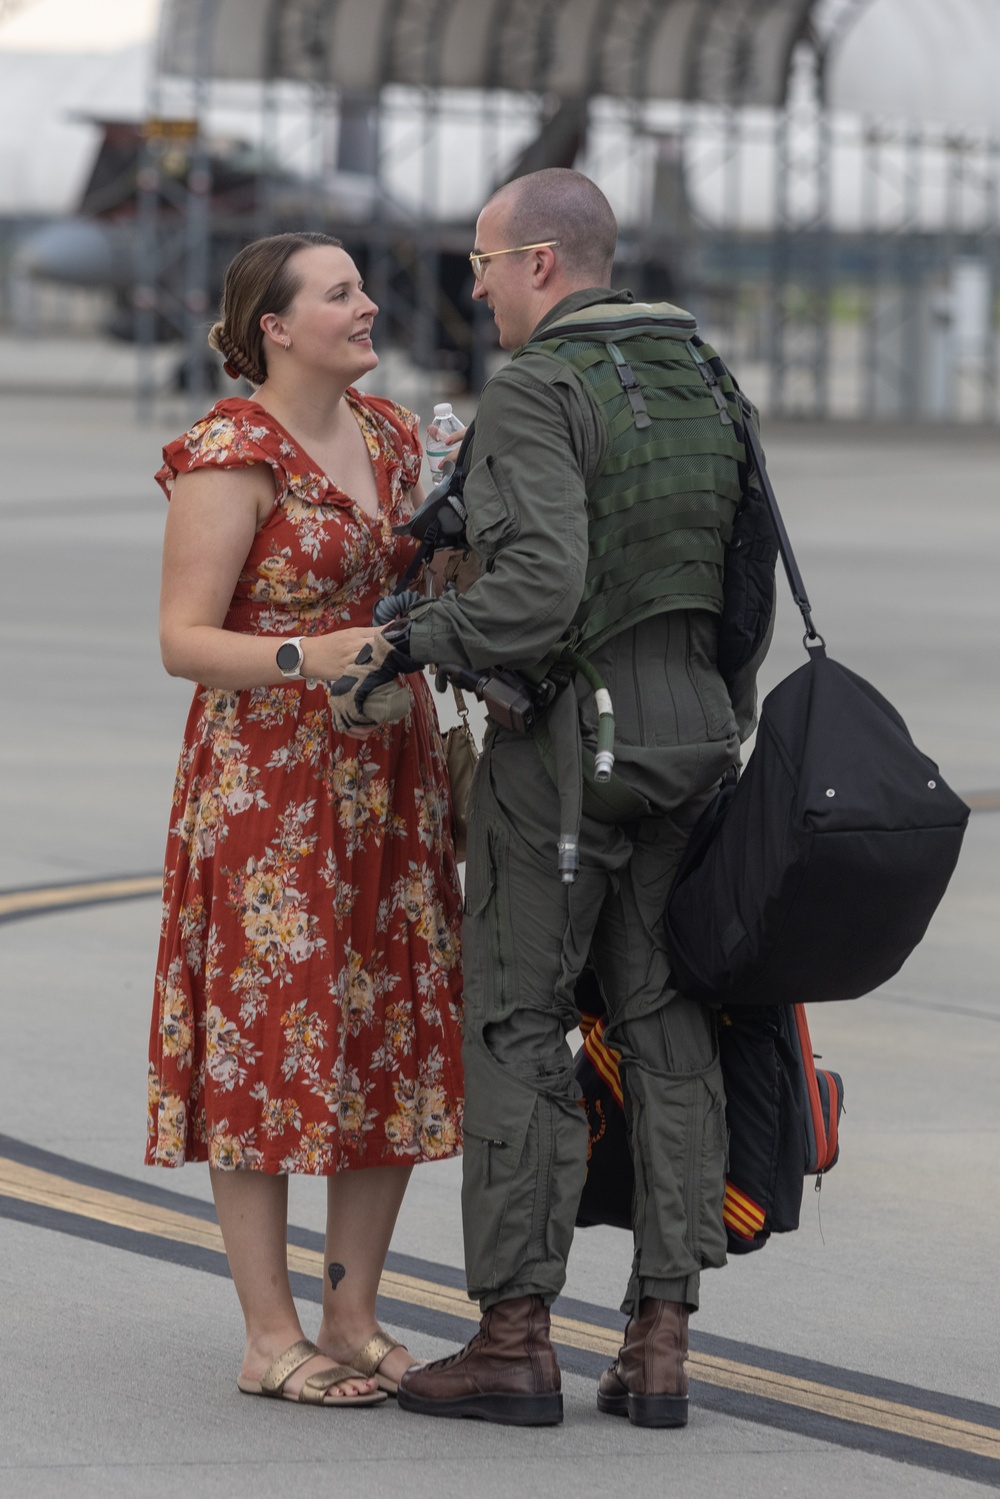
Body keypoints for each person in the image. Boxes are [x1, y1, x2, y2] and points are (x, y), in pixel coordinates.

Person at [345, 168, 771, 1428]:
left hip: (569, 752)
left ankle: (513, 1336)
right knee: (668, 1020)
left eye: (481, 261)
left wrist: (415, 639)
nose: (470, 284)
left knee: (519, 1021)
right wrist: (713, 714)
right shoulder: (706, 376)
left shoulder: (537, 389)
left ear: (540, 261)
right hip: (695, 738)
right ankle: (659, 1344)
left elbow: (536, 591)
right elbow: (739, 576)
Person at [146, 231, 464, 1406]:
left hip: (388, 776)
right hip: (271, 786)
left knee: (383, 1036)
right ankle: (267, 1331)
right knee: (267, 1041)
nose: (370, 305)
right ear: (275, 327)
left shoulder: (390, 435)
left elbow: (418, 592)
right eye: (341, 293)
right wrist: (304, 652)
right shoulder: (234, 450)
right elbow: (184, 638)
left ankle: (351, 1309)